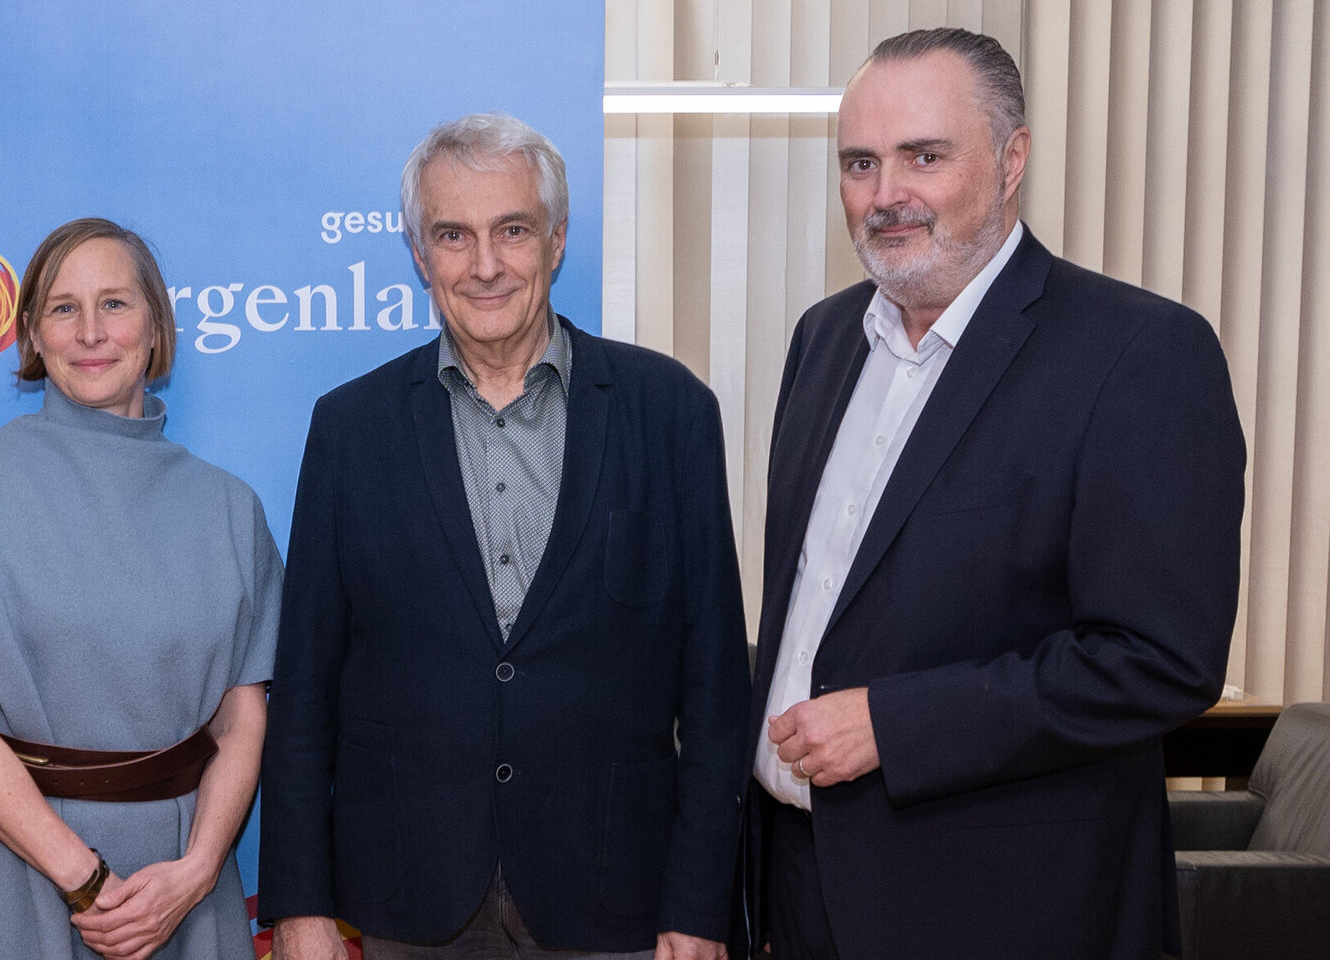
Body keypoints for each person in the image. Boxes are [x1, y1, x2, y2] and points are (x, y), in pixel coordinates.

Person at [749, 27, 1245, 960]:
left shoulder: (1138, 355)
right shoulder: (824, 343)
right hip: (802, 892)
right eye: (860, 162)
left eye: (923, 156)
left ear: (1012, 160)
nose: (885, 193)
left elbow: (1161, 659)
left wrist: (893, 724)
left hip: (1007, 912)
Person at [260, 113, 751, 960]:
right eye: (453, 235)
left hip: (618, 898)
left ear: (556, 241)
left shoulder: (670, 411)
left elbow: (714, 690)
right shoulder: (351, 427)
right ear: (419, 253)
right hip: (410, 897)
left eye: (512, 231)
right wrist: (299, 904)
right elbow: (306, 687)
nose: (484, 265)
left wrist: (701, 904)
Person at [0, 217, 280, 960]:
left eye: (114, 303)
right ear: (33, 337)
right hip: (15, 869)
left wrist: (199, 871)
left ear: (155, 327)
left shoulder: (231, 509)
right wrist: (85, 881)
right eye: (62, 308)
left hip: (182, 883)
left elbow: (242, 721)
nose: (90, 332)